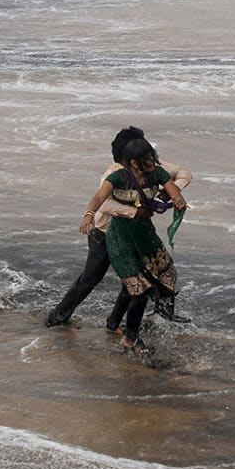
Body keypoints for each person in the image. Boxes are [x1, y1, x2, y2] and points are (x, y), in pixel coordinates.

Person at [46, 127, 192, 327]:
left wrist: (169, 192)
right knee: (91, 278)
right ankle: (58, 317)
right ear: (129, 157)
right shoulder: (114, 173)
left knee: (133, 281)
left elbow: (183, 173)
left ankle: (114, 323)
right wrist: (135, 212)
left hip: (133, 235)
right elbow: (103, 202)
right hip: (105, 233)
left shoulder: (151, 166)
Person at [80, 138, 187, 353]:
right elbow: (98, 197)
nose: (150, 162)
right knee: (138, 290)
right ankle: (130, 338)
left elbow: (174, 190)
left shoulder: (157, 173)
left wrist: (177, 199)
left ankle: (116, 323)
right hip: (121, 239)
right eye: (144, 159)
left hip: (145, 236)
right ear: (132, 162)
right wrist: (89, 214)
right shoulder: (117, 177)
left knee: (167, 277)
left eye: (151, 157)